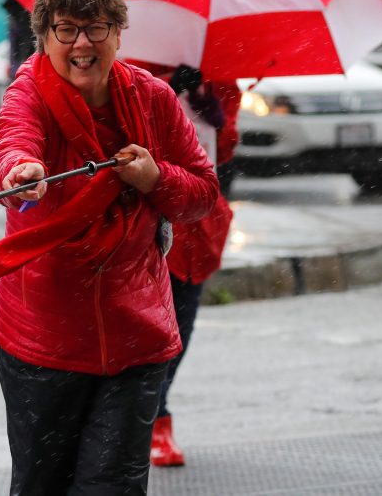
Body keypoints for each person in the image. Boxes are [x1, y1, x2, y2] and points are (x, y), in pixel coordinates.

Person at [0, 0, 219, 495]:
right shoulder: (27, 94)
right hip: (43, 344)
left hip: (135, 339)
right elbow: (11, 143)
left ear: (118, 33)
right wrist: (20, 171)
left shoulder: (153, 98)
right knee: (42, 486)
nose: (83, 44)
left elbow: (202, 195)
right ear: (44, 37)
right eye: (67, 29)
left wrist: (154, 177)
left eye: (96, 27)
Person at [151, 65, 234, 467]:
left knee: (181, 327)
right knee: (146, 330)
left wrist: (211, 108)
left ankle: (154, 414)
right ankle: (151, 417)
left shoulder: (219, 71)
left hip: (199, 229)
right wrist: (166, 92)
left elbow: (225, 150)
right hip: (151, 221)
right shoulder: (134, 68)